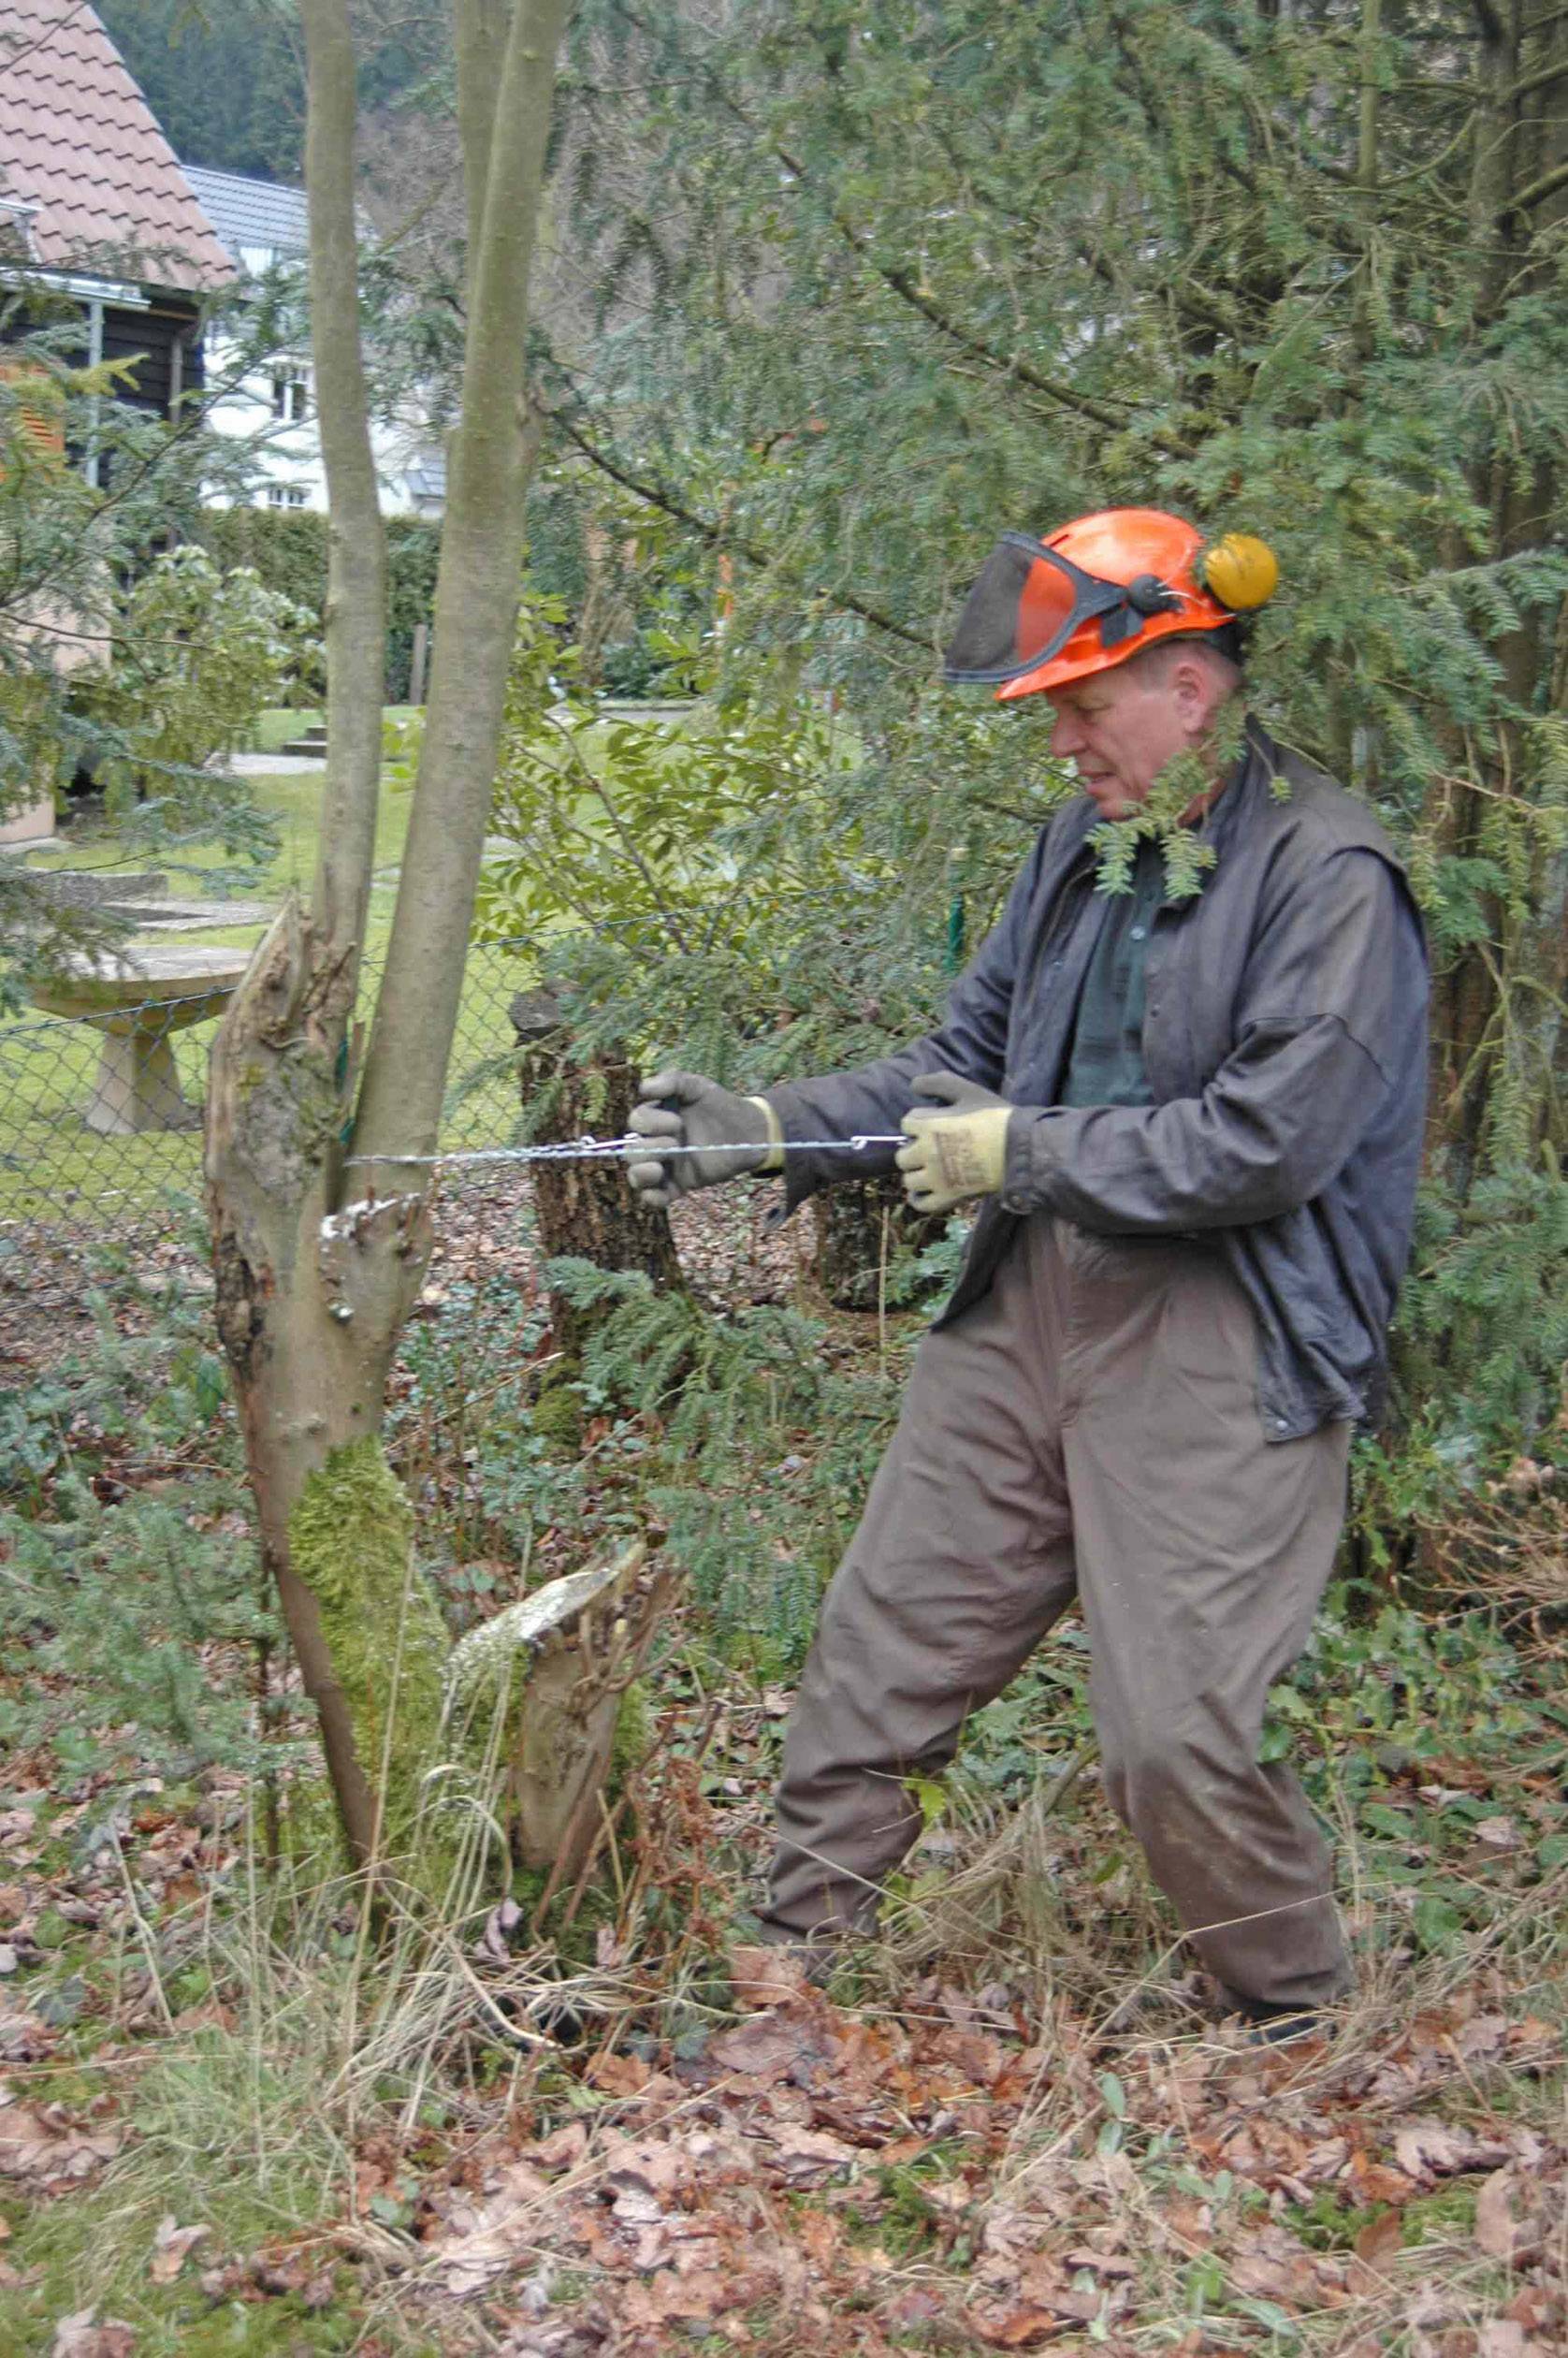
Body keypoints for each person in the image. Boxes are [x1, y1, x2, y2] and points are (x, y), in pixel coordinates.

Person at [627, 508, 1429, 2040]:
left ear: (1187, 688)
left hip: (1223, 1336)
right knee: (875, 1667)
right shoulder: (1082, 846)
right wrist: (768, 1130)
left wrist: (1025, 1156)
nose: (1059, 738)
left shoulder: (1331, 873)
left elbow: (1268, 1143)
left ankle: (1300, 2021)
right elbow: (965, 1060)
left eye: (1080, 702)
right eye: (1047, 708)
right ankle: (788, 1982)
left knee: (1179, 1741)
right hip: (1024, 1309)